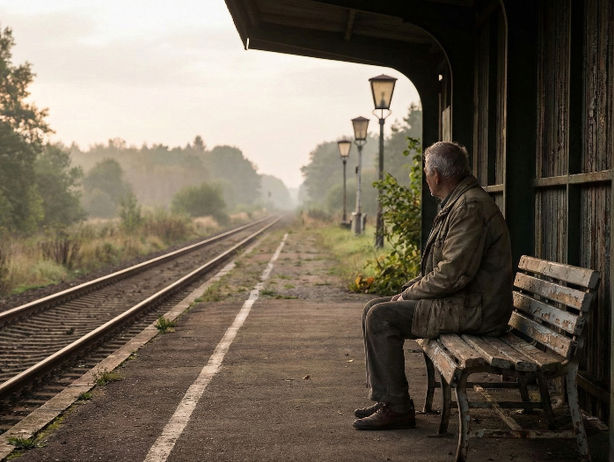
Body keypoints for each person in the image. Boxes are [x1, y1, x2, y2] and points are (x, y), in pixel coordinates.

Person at [353, 141, 513, 430]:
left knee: (381, 317)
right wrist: (407, 289)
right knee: (374, 307)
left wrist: (408, 294)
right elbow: (446, 271)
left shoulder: (469, 207)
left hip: (477, 309)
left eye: (426, 170)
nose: (425, 175)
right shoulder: (459, 202)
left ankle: (397, 408)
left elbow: (452, 275)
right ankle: (387, 398)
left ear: (437, 174)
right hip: (468, 302)